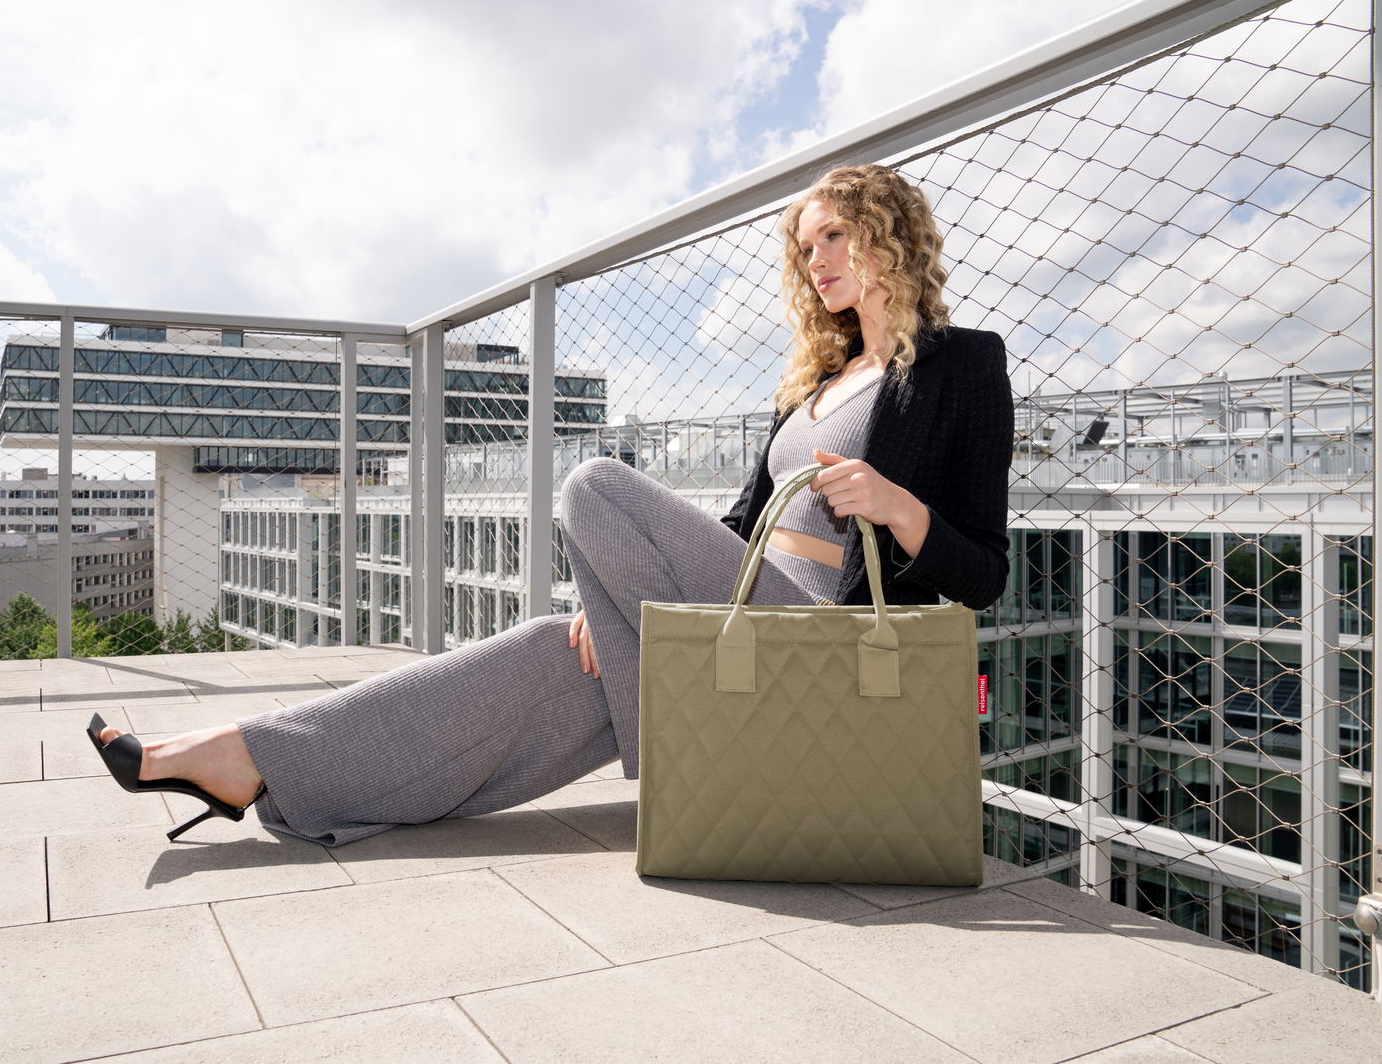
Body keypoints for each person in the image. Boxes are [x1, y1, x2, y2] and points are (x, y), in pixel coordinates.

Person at [88, 164, 1013, 845]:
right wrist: (607, 601)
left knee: (591, 483)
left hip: (822, 636)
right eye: (805, 246)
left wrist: (900, 508)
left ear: (889, 233)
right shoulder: (812, 381)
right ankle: (250, 760)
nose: (815, 261)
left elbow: (985, 573)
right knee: (544, 650)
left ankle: (693, 749)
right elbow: (738, 528)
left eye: (834, 236)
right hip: (740, 611)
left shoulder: (965, 365)